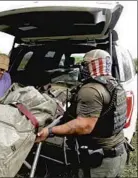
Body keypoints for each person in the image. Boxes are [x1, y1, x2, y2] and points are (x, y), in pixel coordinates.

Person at [36, 49, 128, 177]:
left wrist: (50, 131)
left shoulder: (91, 90)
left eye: (85, 64)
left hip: (100, 164)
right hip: (117, 154)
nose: (82, 68)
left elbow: (84, 126)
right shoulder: (114, 84)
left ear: (95, 64)